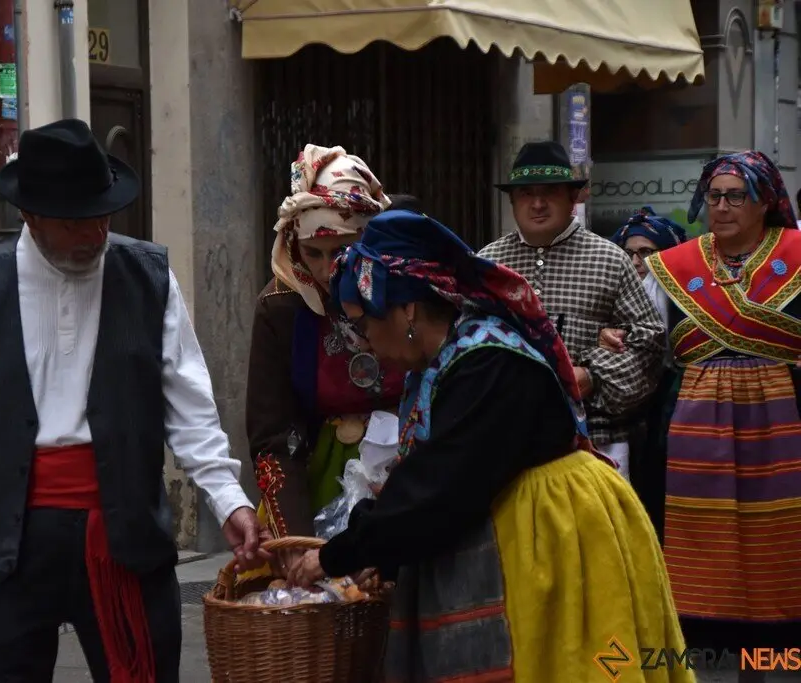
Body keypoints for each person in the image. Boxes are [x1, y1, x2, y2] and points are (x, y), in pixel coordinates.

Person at [0, 119, 267, 683]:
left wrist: (229, 499)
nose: (94, 235)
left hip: (123, 534)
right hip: (10, 539)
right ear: (30, 216)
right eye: (75, 223)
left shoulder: (148, 277)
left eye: (103, 218)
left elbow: (191, 410)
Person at [286, 209, 689, 683]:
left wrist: (339, 553)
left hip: (554, 534)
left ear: (406, 311)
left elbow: (439, 488)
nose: (366, 342)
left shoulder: (488, 362)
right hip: (523, 519)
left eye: (365, 323)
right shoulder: (445, 362)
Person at [641, 151, 801, 672]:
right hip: (694, 419)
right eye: (715, 196)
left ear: (765, 202)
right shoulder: (674, 266)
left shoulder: (798, 256)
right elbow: (651, 343)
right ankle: (706, 634)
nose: (724, 206)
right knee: (699, 530)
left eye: (737, 196)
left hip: (786, 416)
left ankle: (781, 641)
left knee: (781, 528)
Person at [245, 144, 404, 552]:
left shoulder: (408, 290)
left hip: (410, 476)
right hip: (313, 486)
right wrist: (299, 543)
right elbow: (274, 437)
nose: (326, 268)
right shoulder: (281, 307)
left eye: (342, 251)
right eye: (312, 253)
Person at [479, 141, 665, 479]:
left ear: (572, 198)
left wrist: (592, 376)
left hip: (596, 440)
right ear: (512, 201)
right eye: (525, 193)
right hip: (505, 436)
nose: (537, 203)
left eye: (549, 192)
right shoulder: (489, 263)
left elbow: (650, 344)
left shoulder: (609, 259)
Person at [606, 207, 689, 542]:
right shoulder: (611, 291)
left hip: (671, 405)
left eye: (646, 253)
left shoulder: (682, 298)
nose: (636, 262)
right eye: (628, 253)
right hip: (622, 414)